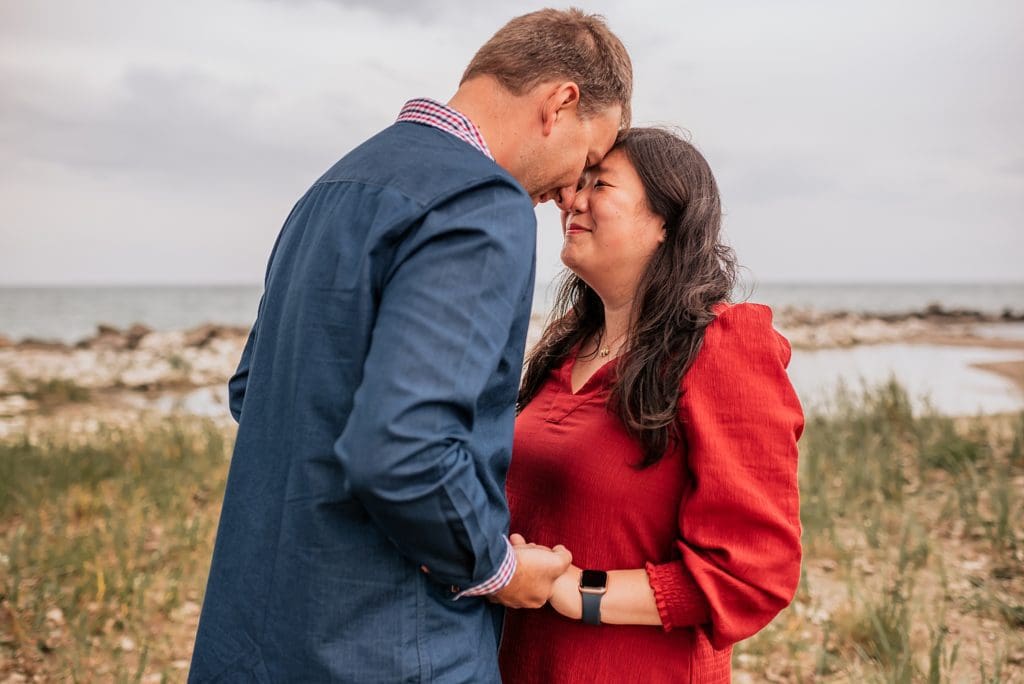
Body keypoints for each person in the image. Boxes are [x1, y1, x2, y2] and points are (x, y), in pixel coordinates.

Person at [188, 9, 632, 683]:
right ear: (559, 104)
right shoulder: (481, 203)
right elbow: (406, 447)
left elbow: (255, 390)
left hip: (257, 631)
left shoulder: (332, 187)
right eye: (589, 158)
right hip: (391, 647)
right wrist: (497, 567)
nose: (571, 192)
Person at [498, 127, 804, 683]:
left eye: (600, 184)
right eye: (577, 183)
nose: (572, 198)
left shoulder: (721, 348)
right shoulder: (567, 345)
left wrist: (580, 590)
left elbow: (753, 574)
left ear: (665, 222)